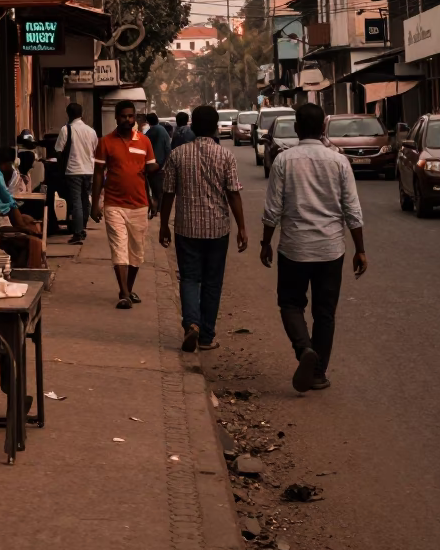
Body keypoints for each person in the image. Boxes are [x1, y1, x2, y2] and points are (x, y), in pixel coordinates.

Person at [260, 102, 367, 392]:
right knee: (325, 312)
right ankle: (318, 372)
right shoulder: (338, 161)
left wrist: (265, 243)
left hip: (294, 248)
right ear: (323, 129)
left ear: (296, 128)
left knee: (290, 303)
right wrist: (360, 249)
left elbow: (273, 209)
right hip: (331, 250)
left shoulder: (284, 160)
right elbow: (352, 211)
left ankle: (304, 349)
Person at [159, 105, 248, 352]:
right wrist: (242, 227)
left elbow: (168, 194)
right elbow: (233, 194)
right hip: (217, 230)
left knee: (189, 278)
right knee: (212, 282)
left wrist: (164, 225)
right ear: (216, 127)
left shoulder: (177, 155)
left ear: (193, 127)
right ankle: (207, 336)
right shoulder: (225, 156)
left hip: (186, 228)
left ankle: (192, 325)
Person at [91, 100, 162, 309]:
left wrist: (154, 198)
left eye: (131, 116)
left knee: (136, 252)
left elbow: (150, 173)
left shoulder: (144, 142)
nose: (127, 120)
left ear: (135, 117)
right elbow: (97, 175)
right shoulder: (105, 142)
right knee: (119, 248)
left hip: (139, 204)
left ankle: (128, 289)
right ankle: (123, 293)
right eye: (123, 116)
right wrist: (95, 204)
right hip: (114, 204)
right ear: (116, 117)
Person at [0, 147, 43, 268]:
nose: (12, 169)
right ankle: (24, 270)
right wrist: (25, 229)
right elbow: (7, 202)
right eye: (10, 164)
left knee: (31, 223)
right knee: (33, 241)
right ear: (5, 163)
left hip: (4, 221)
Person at [55, 102, 99, 245]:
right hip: (89, 170)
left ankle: (78, 233)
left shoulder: (66, 129)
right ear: (82, 113)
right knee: (85, 199)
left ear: (68, 114)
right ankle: (83, 227)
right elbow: (95, 151)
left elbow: (58, 151)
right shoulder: (91, 131)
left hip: (73, 170)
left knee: (76, 202)